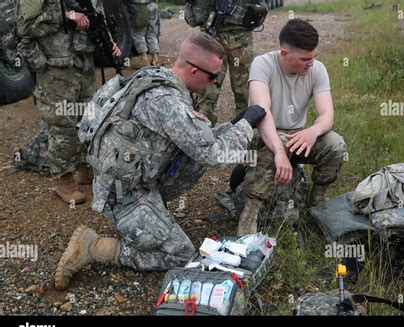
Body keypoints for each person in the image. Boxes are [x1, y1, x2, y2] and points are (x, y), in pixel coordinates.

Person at [54, 33, 267, 290]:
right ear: (193, 70)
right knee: (180, 254)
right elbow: (214, 154)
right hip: (123, 195)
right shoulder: (166, 101)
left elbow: (200, 139)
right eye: (213, 77)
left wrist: (234, 125)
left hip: (137, 180)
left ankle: (152, 217)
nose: (214, 83)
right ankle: (94, 247)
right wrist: (246, 126)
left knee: (197, 151)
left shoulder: (154, 77)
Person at [236, 19, 347, 236]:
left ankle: (317, 202)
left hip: (297, 136)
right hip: (264, 134)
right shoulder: (262, 64)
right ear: (284, 54)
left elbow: (327, 115)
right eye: (305, 59)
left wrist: (312, 132)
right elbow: (261, 111)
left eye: (314, 57)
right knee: (282, 212)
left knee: (336, 144)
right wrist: (279, 150)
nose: (311, 63)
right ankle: (250, 214)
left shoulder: (317, 69)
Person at [16, 0, 121, 205]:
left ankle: (83, 168)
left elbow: (95, 14)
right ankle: (63, 179)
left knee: (88, 117)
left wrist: (109, 42)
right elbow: (23, 27)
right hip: (55, 65)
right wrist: (66, 15)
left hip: (83, 62)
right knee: (62, 123)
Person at [185, 0, 268, 126]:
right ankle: (205, 131)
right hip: (217, 35)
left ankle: (244, 129)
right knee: (209, 87)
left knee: (241, 88)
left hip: (232, 35)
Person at [128, 0, 161, 68]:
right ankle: (155, 58)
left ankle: (144, 58)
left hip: (140, 6)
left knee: (138, 33)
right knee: (152, 33)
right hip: (153, 5)